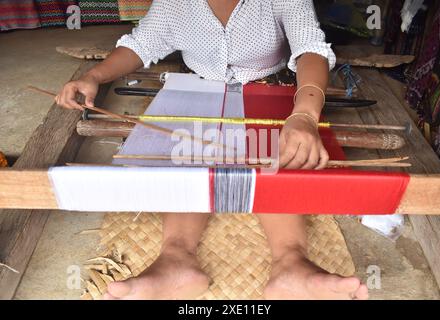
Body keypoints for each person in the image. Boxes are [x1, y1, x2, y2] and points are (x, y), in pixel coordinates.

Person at [56, 0, 369, 300]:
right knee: (186, 152)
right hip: (201, 87)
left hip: (270, 87)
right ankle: (176, 261)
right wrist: (93, 77)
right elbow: (141, 44)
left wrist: (304, 115)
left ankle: (291, 264)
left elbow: (309, 48)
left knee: (279, 153)